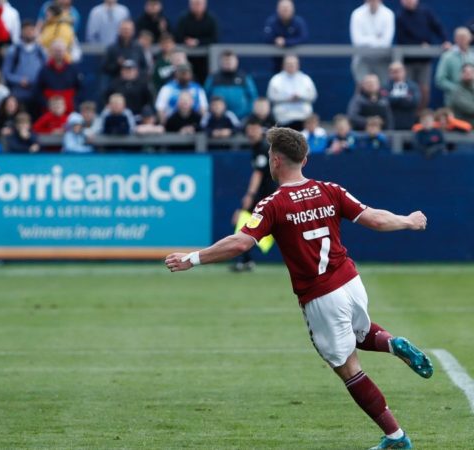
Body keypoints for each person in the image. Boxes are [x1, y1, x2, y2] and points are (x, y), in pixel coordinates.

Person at [165, 126, 431, 450]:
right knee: (361, 334)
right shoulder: (330, 189)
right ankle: (392, 343)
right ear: (304, 159)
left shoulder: (273, 204)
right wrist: (408, 220)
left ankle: (395, 437)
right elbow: (374, 218)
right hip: (351, 281)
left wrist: (193, 258)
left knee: (347, 368)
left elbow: (240, 243)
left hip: (321, 295)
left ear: (276, 161)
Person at [231, 117, 277, 272]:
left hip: (267, 195)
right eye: (249, 130)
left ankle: (244, 260)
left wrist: (249, 195)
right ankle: (246, 260)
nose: (251, 133)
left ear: (260, 130)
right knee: (246, 224)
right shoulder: (258, 147)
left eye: (254, 129)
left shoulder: (263, 148)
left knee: (244, 222)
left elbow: (258, 174)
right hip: (264, 195)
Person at [394, 0, 449, 111]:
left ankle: (419, 117)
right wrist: (419, 45)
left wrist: (445, 40)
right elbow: (401, 39)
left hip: (424, 61)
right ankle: (410, 117)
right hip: (408, 62)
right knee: (408, 91)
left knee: (424, 90)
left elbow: (437, 26)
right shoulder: (399, 16)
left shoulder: (426, 12)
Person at [2, 21, 47, 114]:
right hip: (19, 94)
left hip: (37, 94)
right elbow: (6, 73)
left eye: (31, 30)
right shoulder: (13, 50)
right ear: (21, 32)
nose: (29, 32)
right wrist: (19, 80)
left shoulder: (41, 50)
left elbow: (47, 70)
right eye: (26, 30)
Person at [266, 54, 317, 130]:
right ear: (283, 65)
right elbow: (271, 96)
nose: (291, 66)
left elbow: (313, 96)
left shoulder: (305, 79)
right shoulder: (276, 79)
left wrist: (300, 97)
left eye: (293, 64)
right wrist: (287, 98)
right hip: (283, 119)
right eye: (289, 64)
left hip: (303, 118)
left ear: (298, 65)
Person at [203, 50, 258, 120]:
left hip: (242, 118)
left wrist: (247, 113)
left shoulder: (244, 77)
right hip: (218, 119)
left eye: (230, 61)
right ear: (220, 62)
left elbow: (253, 97)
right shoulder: (213, 78)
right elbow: (205, 96)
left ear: (236, 61)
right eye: (225, 61)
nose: (228, 63)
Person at [349, 0, 394, 85]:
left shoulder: (388, 14)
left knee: (383, 89)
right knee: (362, 87)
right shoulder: (357, 14)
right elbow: (357, 41)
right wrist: (377, 38)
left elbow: (386, 42)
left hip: (382, 59)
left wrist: (367, 39)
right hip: (362, 58)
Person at [173, 0, 218, 82]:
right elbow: (177, 36)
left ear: (204, 5)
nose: (196, 6)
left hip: (205, 60)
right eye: (194, 4)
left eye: (199, 4)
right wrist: (186, 41)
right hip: (186, 58)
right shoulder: (183, 19)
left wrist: (198, 42)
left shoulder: (211, 20)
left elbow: (215, 39)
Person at [36, 40, 83, 113]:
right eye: (56, 51)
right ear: (51, 52)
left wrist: (74, 103)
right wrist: (47, 104)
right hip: (49, 112)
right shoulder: (44, 70)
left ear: (65, 52)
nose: (58, 53)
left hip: (69, 112)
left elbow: (80, 89)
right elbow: (38, 90)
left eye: (60, 51)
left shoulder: (73, 69)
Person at [262, 0, 308, 72]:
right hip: (277, 61)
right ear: (278, 9)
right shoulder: (271, 22)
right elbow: (267, 38)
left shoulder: (299, 22)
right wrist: (276, 41)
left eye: (287, 8)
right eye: (283, 8)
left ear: (292, 9)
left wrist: (286, 42)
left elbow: (303, 38)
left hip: (297, 59)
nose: (285, 10)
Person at [383, 61, 420, 130]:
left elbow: (415, 101)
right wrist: (404, 98)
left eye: (398, 71)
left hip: (409, 121)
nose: (397, 74)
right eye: (394, 72)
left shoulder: (412, 86)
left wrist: (395, 99)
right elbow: (386, 101)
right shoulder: (386, 86)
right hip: (391, 123)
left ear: (404, 71)